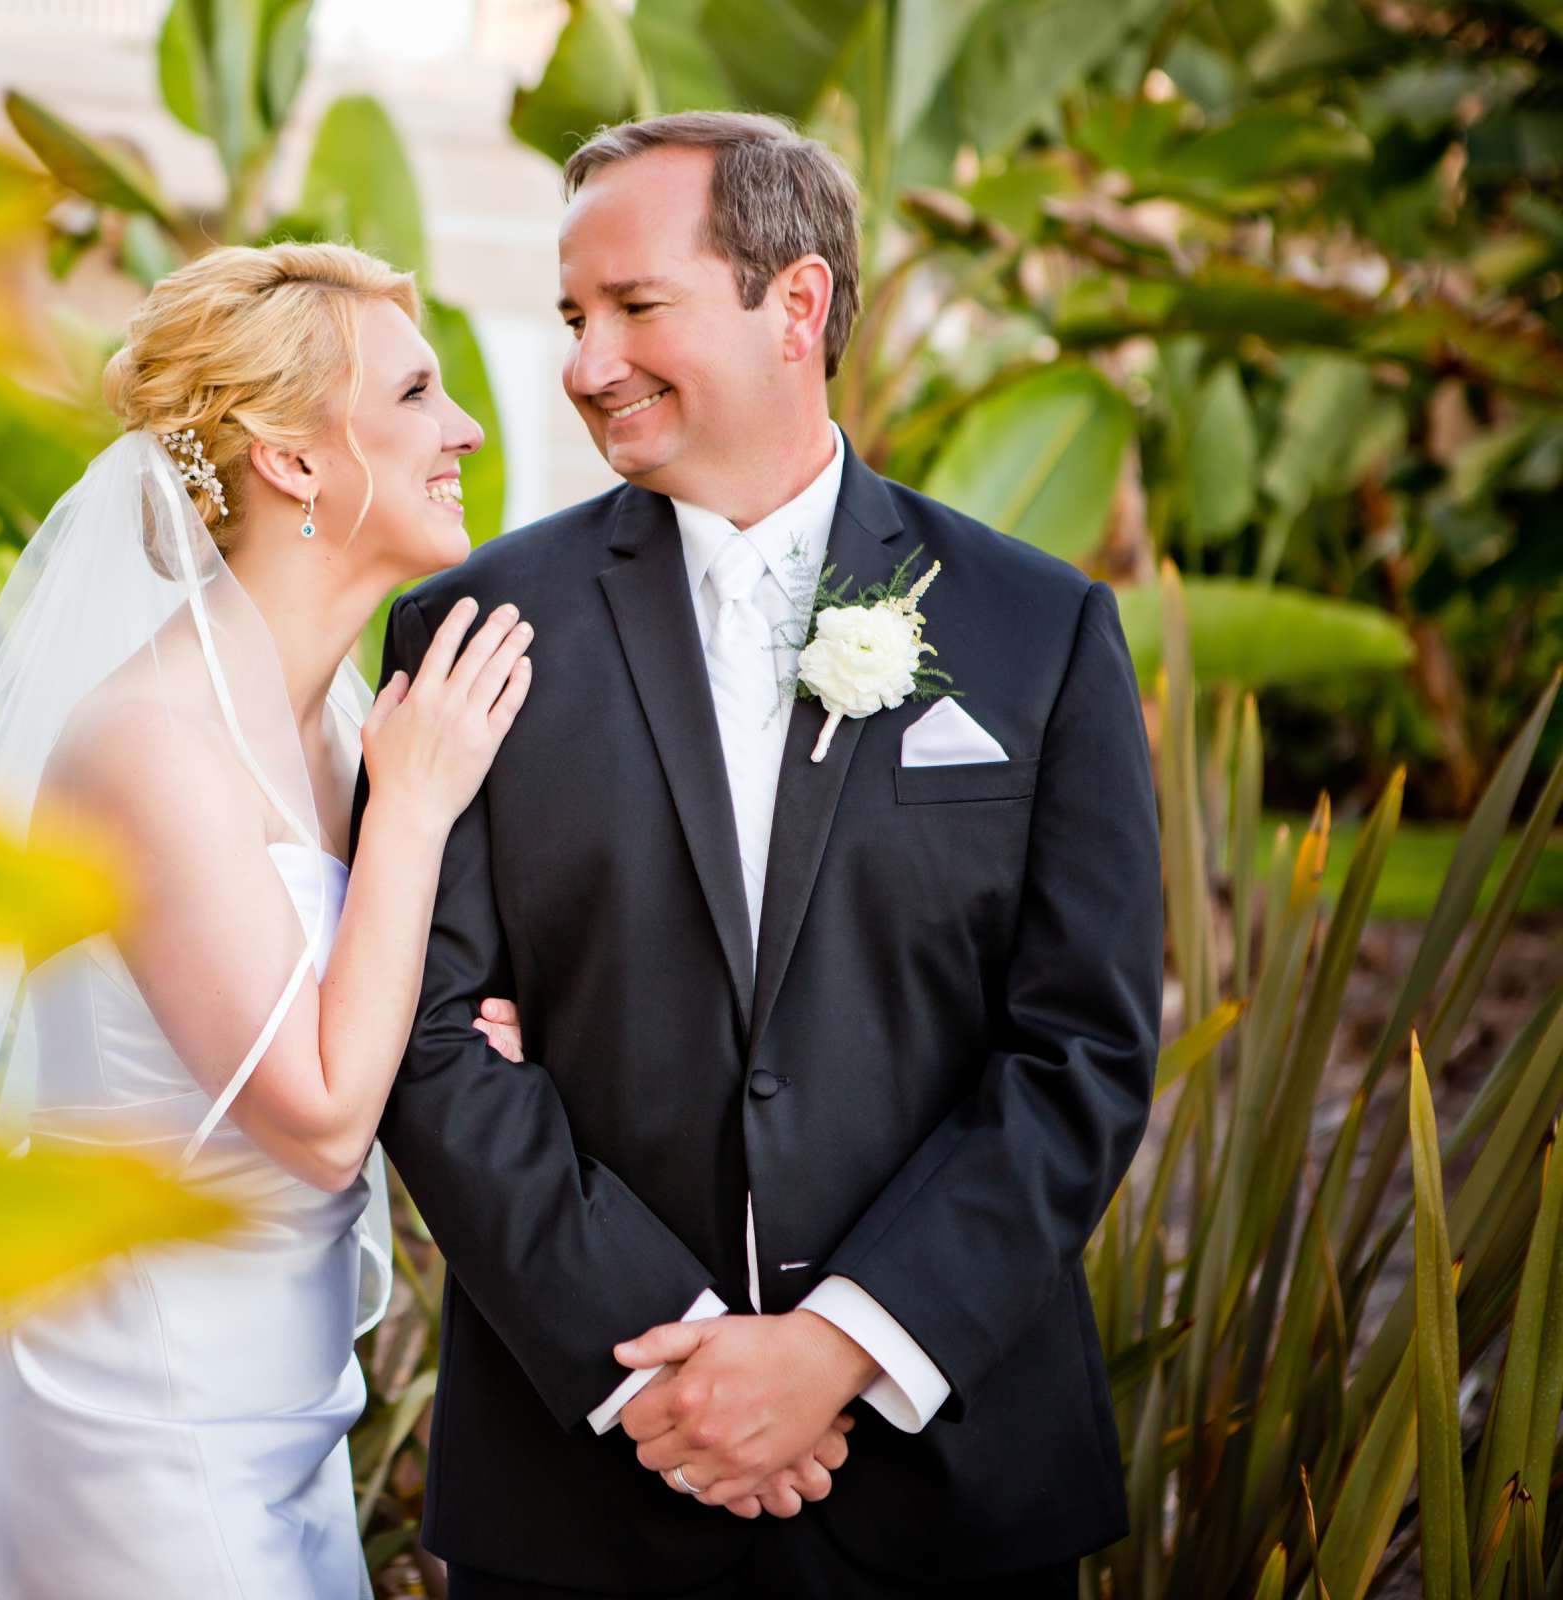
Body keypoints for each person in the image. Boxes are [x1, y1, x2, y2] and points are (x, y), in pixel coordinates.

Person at [0, 240, 855, 1600]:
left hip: (282, 1394)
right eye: (419, 393)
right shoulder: (150, 740)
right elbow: (315, 1118)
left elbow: (389, 1025)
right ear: (291, 461)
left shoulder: (347, 722)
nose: (469, 425)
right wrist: (415, 817)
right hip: (133, 1397)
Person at [370, 111, 1164, 1599]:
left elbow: (1082, 1048)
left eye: (635, 307)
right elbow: (423, 1037)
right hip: (590, 1481)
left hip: (947, 1483)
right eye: (573, 316)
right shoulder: (473, 631)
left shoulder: (1037, 632)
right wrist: (661, 1363)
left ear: (795, 304)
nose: (585, 363)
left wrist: (841, 1345)